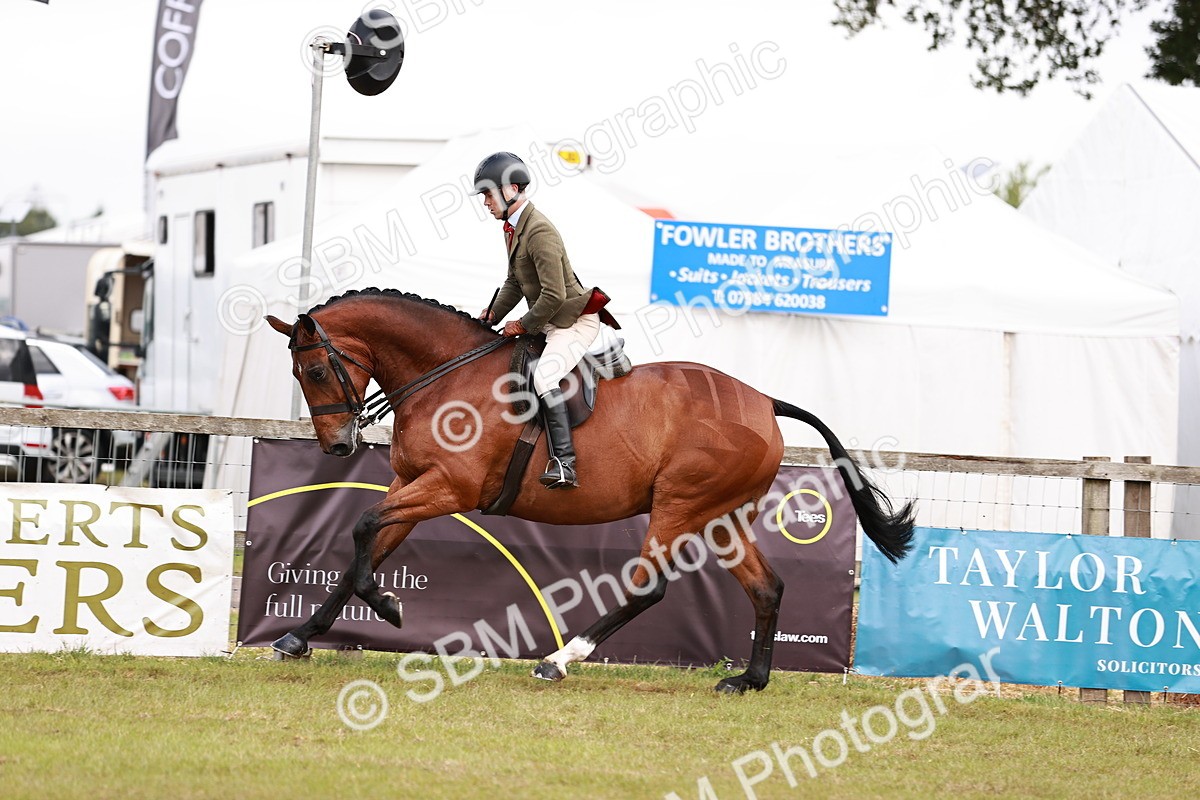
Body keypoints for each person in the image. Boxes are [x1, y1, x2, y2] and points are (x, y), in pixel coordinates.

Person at [473, 151, 606, 490]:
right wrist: (492, 316)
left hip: (572, 322)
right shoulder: (514, 228)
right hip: (549, 321)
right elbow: (515, 282)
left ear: (511, 189)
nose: (485, 202)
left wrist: (521, 324)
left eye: (488, 194)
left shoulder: (539, 230)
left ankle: (565, 464)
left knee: (545, 378)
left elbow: (554, 296)